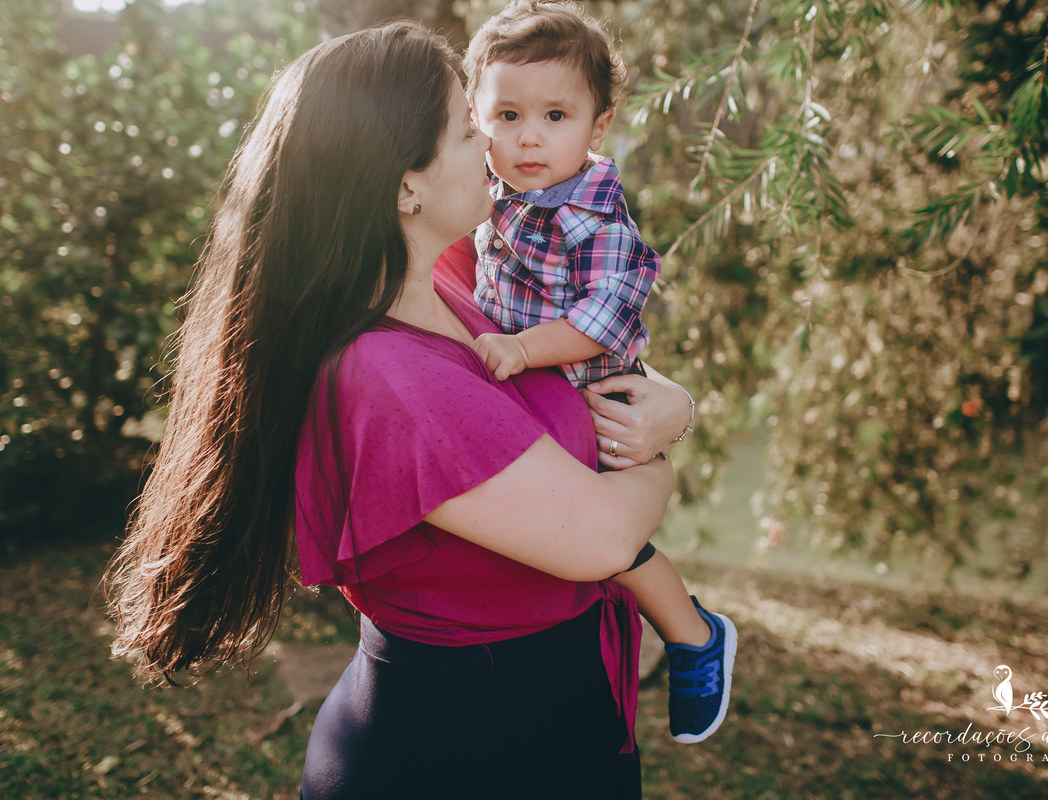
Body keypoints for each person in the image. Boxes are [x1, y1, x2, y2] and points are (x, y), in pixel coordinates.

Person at [105, 20, 696, 799]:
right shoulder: (390, 376)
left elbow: (594, 359)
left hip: (548, 723)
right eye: (468, 128)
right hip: (465, 750)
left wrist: (674, 404)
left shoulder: (452, 285)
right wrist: (656, 460)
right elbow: (606, 536)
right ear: (403, 186)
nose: (494, 145)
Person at [464, 0, 736, 744]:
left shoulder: (597, 217)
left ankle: (693, 635)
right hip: (537, 402)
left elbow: (605, 321)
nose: (528, 137)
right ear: (475, 119)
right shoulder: (493, 197)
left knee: (605, 545)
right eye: (507, 115)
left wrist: (521, 350)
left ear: (599, 125)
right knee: (564, 544)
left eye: (556, 116)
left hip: (596, 399)